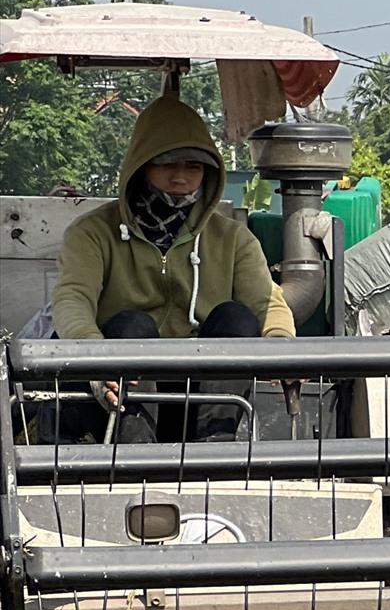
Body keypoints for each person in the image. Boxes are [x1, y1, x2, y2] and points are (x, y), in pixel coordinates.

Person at [47, 92, 294, 442]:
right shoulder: (92, 232)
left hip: (198, 389)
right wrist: (95, 357)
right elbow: (72, 299)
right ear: (141, 165)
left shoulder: (232, 239)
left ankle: (214, 448)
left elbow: (267, 303)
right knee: (132, 324)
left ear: (208, 173)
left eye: (193, 166)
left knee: (236, 318)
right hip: (113, 391)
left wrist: (282, 345)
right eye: (167, 164)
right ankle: (135, 459)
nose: (181, 178)